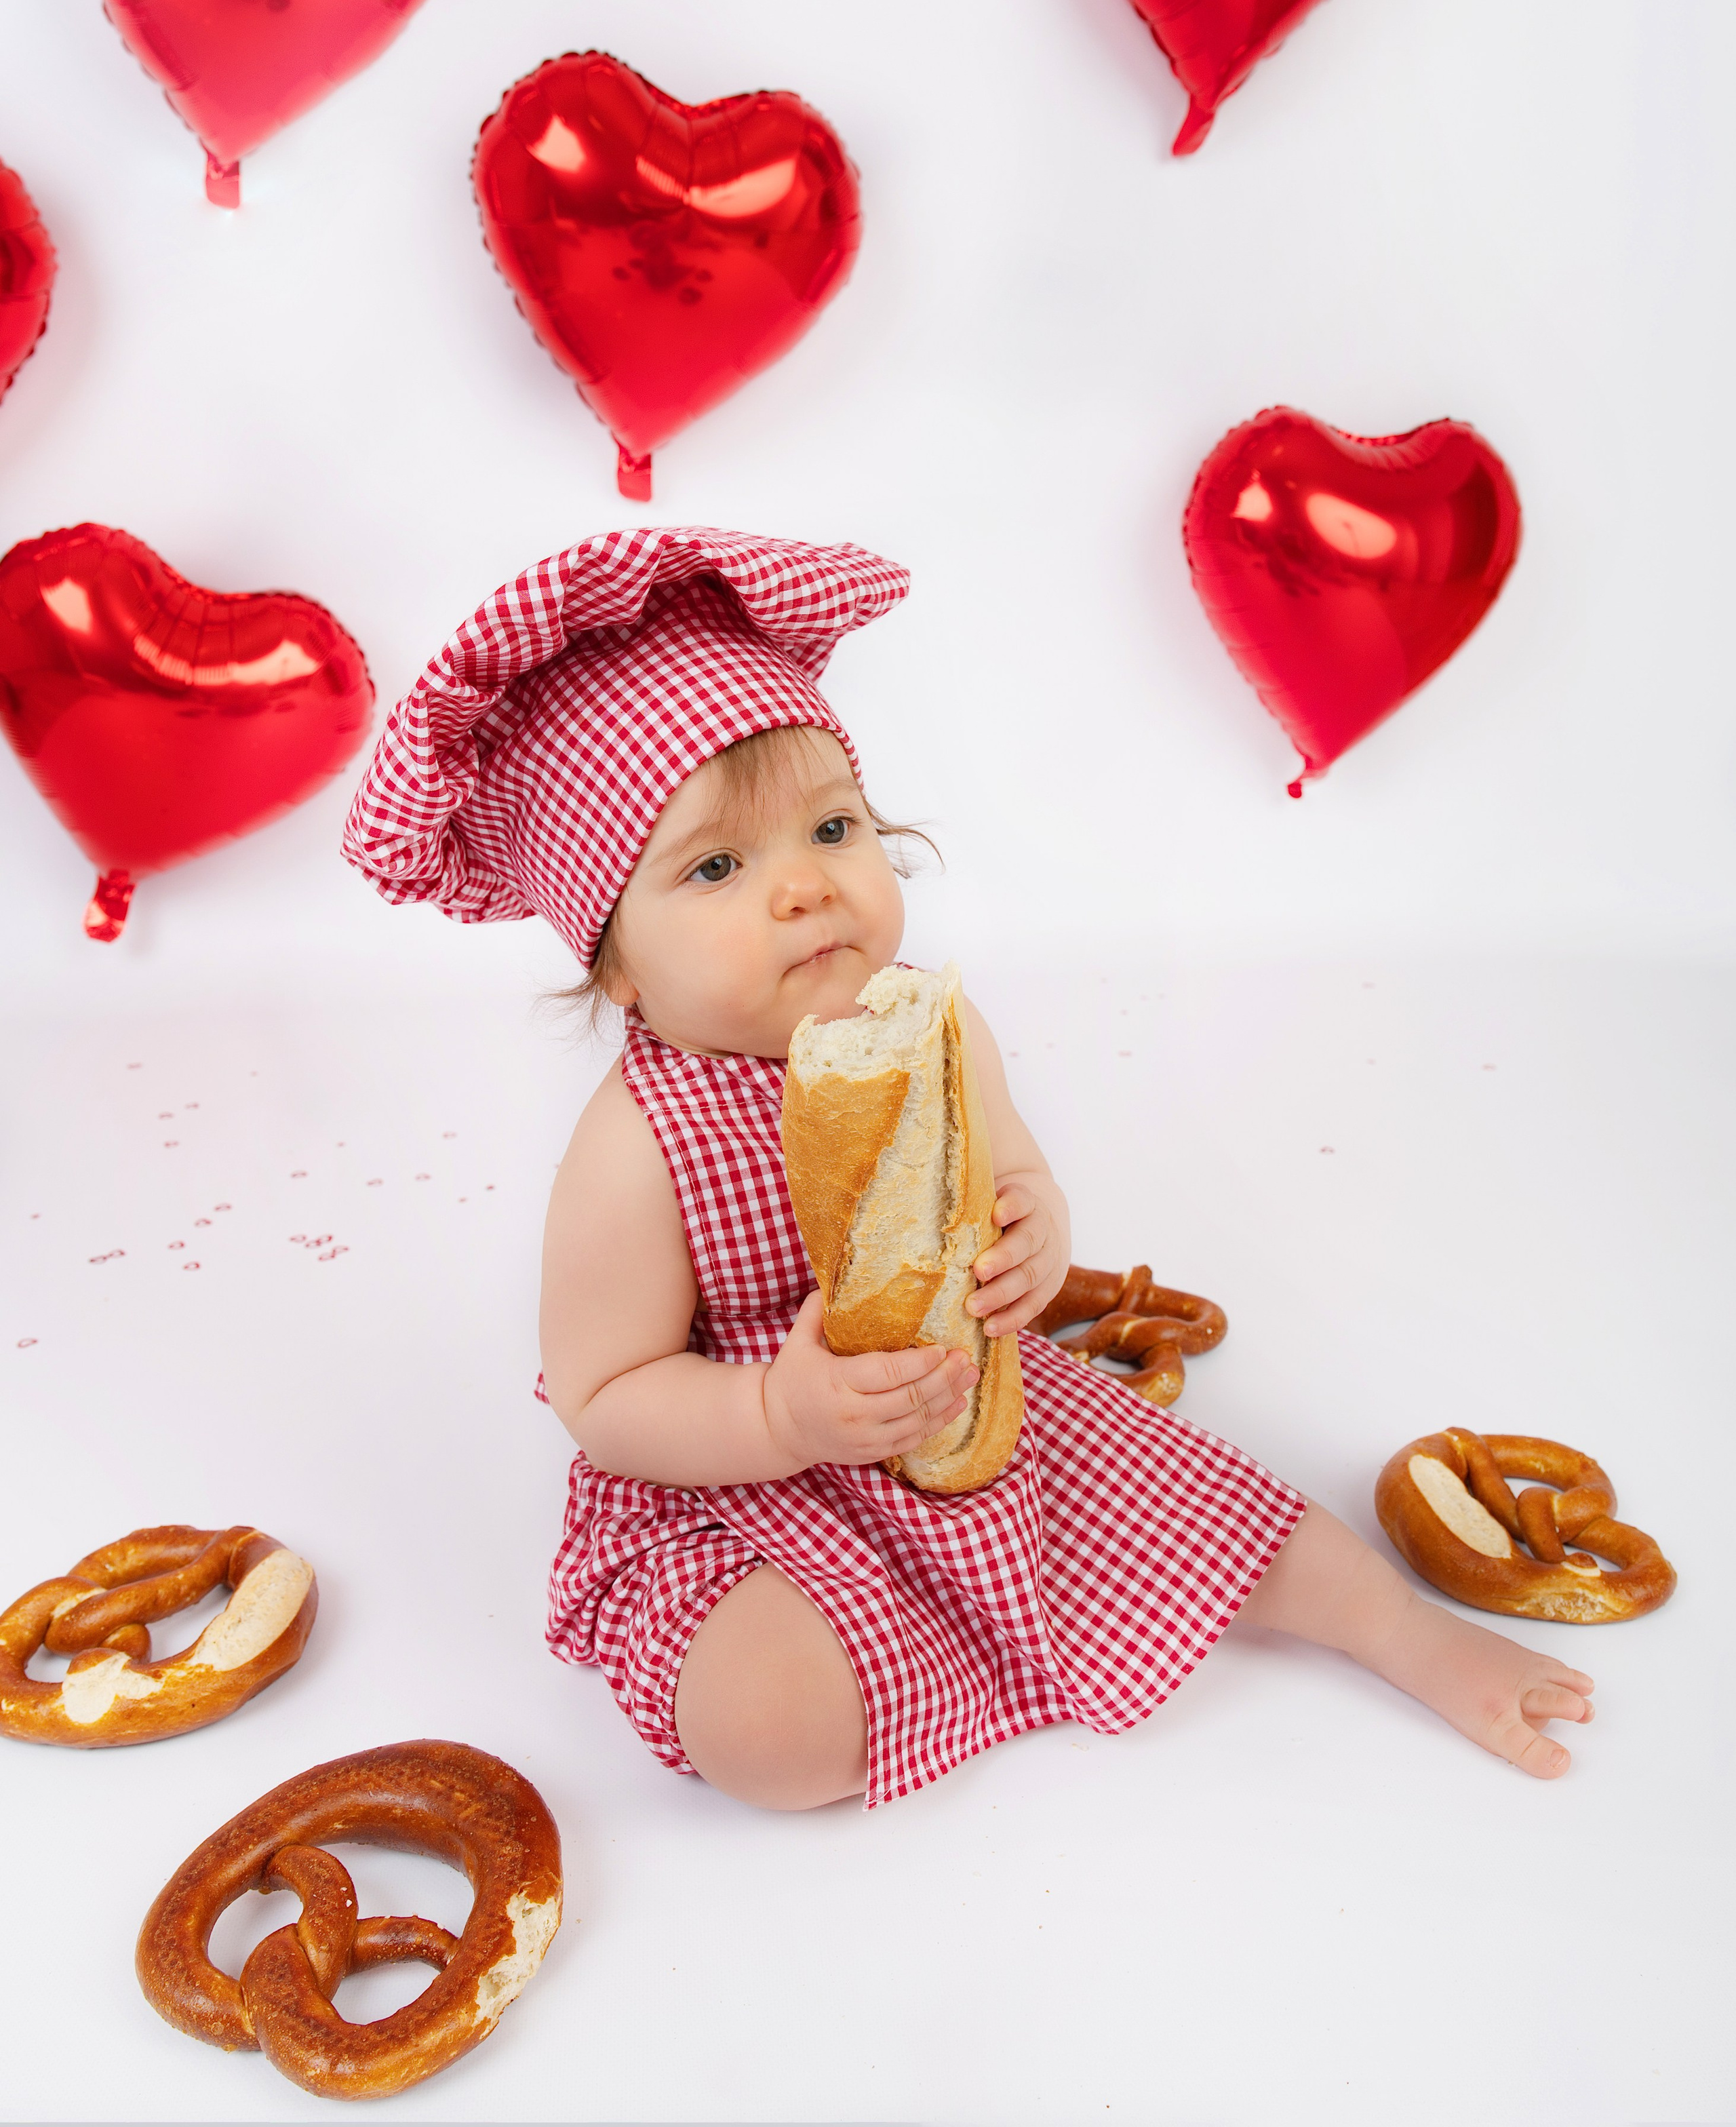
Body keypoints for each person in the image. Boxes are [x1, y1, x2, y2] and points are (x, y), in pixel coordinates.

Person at [345, 526, 1594, 1810]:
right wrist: (779, 1416)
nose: (805, 890)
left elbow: (1022, 1180)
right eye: (718, 866)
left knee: (1205, 1498)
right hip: (738, 1460)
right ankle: (878, 1663)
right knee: (770, 1728)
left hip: (956, 1397)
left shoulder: (932, 1030)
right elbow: (607, 1393)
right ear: (615, 962)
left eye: (834, 828)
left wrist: (1034, 1235)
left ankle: (1396, 1628)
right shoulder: (633, 1151)